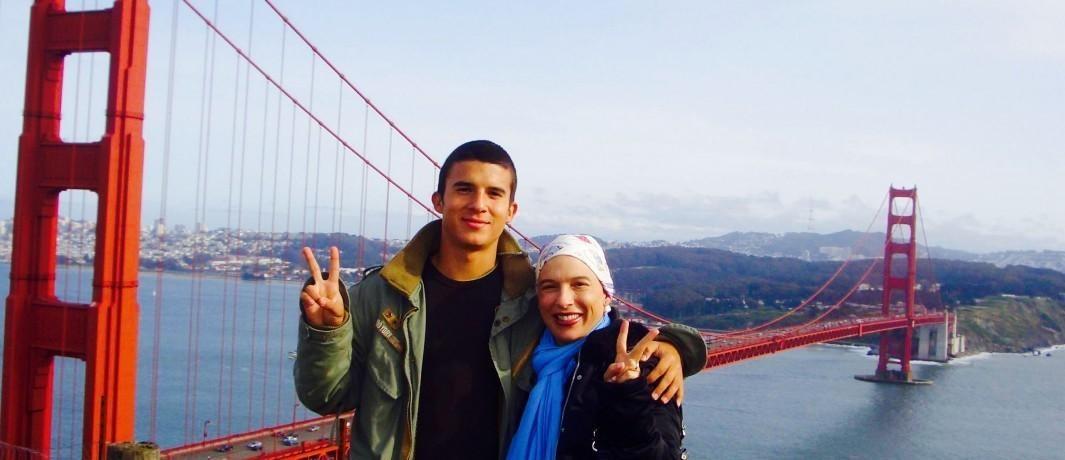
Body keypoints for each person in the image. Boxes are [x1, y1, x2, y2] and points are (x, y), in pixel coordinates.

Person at [295, 140, 706, 459]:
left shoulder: (534, 298)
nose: (478, 204)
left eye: (493, 194)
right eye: (464, 189)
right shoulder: (379, 296)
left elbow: (600, 332)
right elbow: (328, 397)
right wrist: (326, 331)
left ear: (511, 209)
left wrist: (673, 347)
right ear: (438, 201)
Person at [507, 235, 690, 460]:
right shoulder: (523, 353)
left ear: (606, 295)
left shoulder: (643, 361)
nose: (564, 300)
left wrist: (629, 395)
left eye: (579, 284)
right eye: (549, 286)